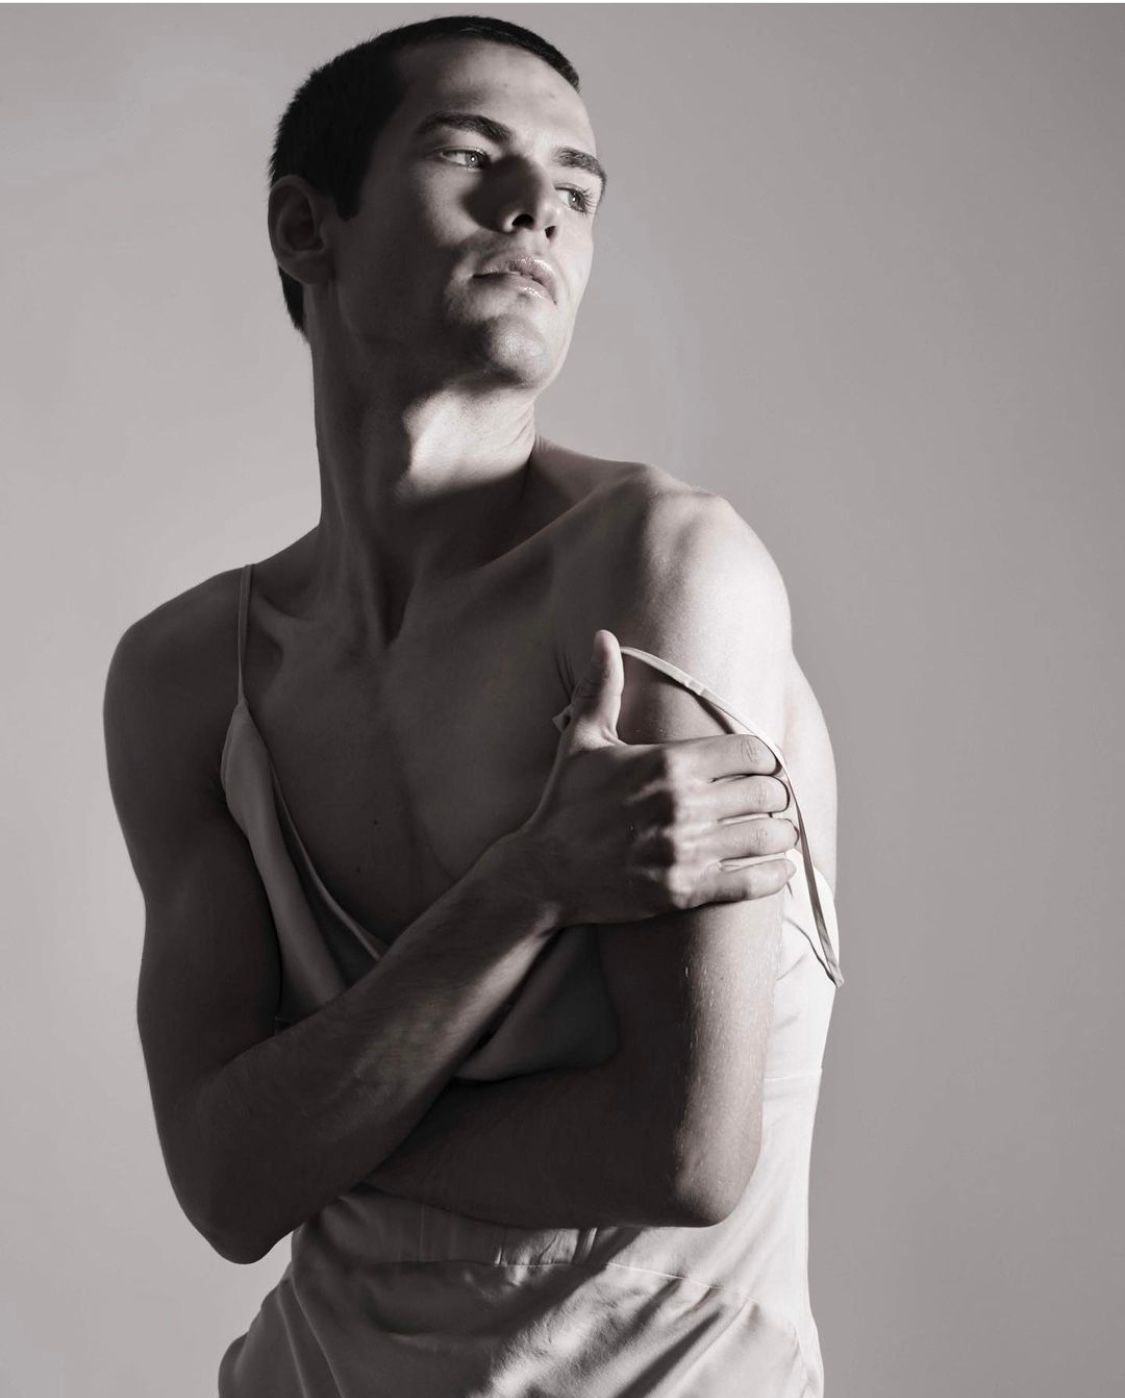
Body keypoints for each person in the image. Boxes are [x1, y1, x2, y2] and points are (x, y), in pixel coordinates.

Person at [102, 14, 844, 1397]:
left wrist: (308, 1127)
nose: (534, 210)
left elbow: (680, 1151)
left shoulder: (662, 568)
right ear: (306, 228)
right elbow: (221, 1192)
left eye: (575, 189)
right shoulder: (190, 675)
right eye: (469, 156)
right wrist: (528, 884)